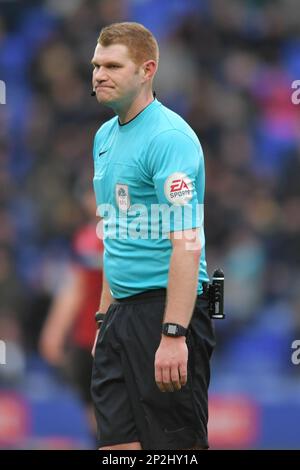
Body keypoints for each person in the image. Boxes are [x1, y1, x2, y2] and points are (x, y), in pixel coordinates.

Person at [90, 22, 216, 450]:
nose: (98, 74)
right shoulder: (104, 138)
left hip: (164, 312)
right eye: (96, 65)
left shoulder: (168, 138)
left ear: (147, 70)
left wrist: (174, 332)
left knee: (173, 454)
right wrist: (104, 320)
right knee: (116, 450)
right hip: (120, 317)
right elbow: (114, 233)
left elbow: (187, 241)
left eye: (112, 65)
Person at [40, 187, 104, 435]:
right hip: (88, 340)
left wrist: (53, 332)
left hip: (112, 340)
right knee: (98, 418)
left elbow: (73, 289)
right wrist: (54, 332)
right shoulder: (86, 238)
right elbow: (74, 287)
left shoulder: (99, 237)